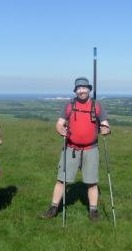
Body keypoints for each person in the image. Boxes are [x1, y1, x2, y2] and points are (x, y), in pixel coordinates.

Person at [40, 77, 110, 222]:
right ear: (76, 91)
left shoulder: (97, 105)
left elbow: (105, 124)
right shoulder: (69, 105)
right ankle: (53, 209)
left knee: (92, 182)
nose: (82, 91)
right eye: (79, 88)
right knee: (61, 180)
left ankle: (93, 211)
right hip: (71, 148)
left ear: (89, 90)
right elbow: (59, 123)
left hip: (91, 149)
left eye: (84, 88)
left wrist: (106, 129)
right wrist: (60, 130)